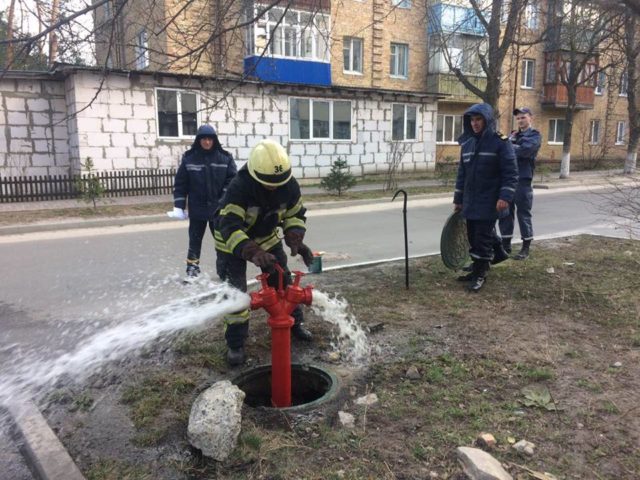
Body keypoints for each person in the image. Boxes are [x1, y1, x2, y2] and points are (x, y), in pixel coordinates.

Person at [214, 139, 315, 366]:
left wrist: (295, 237)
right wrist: (251, 250)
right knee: (235, 294)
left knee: (282, 280)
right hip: (232, 242)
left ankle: (293, 324)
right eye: (270, 184)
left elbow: (295, 214)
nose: (275, 188)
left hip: (266, 236)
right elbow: (229, 226)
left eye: (279, 183)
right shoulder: (239, 188)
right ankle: (236, 344)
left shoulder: (288, 184)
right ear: (256, 175)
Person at [453, 103, 518, 292]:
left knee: (481, 238)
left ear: (487, 120)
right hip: (470, 201)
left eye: (478, 119)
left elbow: (511, 173)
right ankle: (484, 263)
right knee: (473, 236)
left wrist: (505, 196)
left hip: (490, 201)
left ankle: (480, 274)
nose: (474, 123)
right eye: (472, 120)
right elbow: (462, 175)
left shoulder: (500, 142)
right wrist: (458, 200)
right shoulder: (467, 144)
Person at [170, 124, 237, 279]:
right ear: (199, 140)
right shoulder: (189, 158)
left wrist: (223, 199)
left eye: (210, 139)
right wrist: (179, 206)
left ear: (214, 140)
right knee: (194, 241)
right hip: (197, 210)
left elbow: (232, 181)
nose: (207, 142)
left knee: (222, 242)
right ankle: (192, 271)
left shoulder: (225, 158)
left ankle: (225, 270)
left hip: (218, 210)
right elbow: (181, 184)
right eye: (204, 139)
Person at [499, 107, 541, 260]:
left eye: (523, 117)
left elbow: (525, 151)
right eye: (518, 118)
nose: (520, 120)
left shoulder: (534, 135)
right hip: (508, 179)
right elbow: (504, 151)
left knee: (523, 214)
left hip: (523, 180)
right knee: (504, 213)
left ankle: (525, 247)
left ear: (530, 118)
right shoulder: (512, 135)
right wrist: (511, 146)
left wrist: (509, 146)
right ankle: (505, 245)